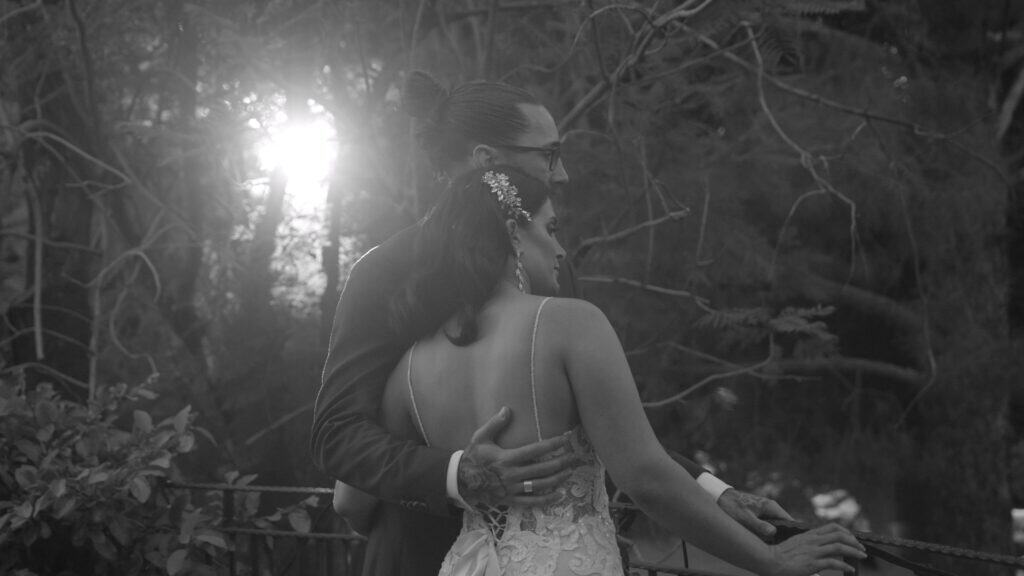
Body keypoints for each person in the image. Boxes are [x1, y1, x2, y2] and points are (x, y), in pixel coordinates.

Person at [311, 71, 796, 575]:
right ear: (485, 161)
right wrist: (458, 473)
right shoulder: (385, 271)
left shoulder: (544, 266)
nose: (561, 174)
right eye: (548, 154)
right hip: (419, 555)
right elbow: (336, 433)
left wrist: (710, 491)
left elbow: (592, 423)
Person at [376, 165, 866, 575]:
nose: (562, 250)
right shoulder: (569, 322)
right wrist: (772, 560)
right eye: (551, 229)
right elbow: (643, 476)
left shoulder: (406, 368)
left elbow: (352, 505)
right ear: (512, 233)